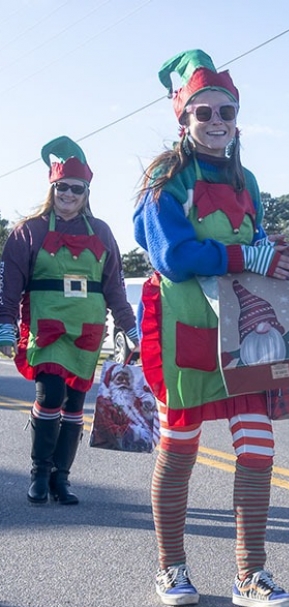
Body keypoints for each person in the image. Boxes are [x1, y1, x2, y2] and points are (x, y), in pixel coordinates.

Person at [134, 49, 289, 607]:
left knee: (257, 447)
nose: (216, 123)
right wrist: (249, 257)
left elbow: (254, 247)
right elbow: (176, 256)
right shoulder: (166, 177)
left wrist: (276, 256)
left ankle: (250, 575)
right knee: (179, 446)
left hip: (243, 328)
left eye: (225, 113)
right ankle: (170, 566)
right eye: (203, 113)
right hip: (184, 325)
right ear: (183, 119)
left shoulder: (246, 178)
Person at [0, 136, 137, 506]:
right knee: (51, 396)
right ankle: (39, 474)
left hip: (88, 332)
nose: (69, 194)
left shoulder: (103, 232)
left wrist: (131, 327)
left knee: (76, 406)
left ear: (86, 191)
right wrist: (5, 326)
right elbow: (9, 286)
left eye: (77, 188)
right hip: (47, 330)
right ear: (52, 186)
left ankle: (63, 478)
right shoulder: (28, 231)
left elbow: (115, 288)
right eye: (62, 187)